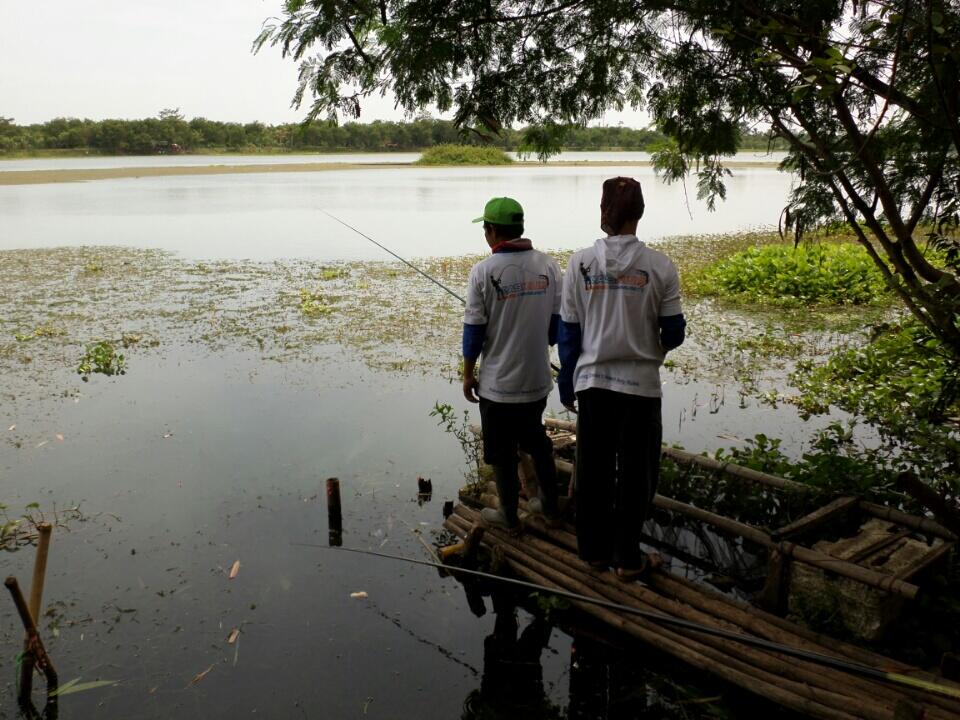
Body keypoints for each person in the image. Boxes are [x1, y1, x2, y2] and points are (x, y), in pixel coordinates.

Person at [558, 177, 686, 579]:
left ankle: (594, 553)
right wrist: (654, 345)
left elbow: (569, 333)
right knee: (637, 474)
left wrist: (567, 381)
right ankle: (628, 558)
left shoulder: (579, 263)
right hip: (641, 388)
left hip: (593, 385)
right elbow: (674, 331)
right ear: (640, 213)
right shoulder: (660, 265)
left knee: (593, 471)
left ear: (603, 213)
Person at [462, 196, 562, 530]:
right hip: (536, 382)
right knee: (538, 443)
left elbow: (474, 332)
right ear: (519, 228)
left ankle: (508, 516)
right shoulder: (549, 266)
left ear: (491, 231)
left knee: (502, 454)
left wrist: (467, 375)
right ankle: (549, 507)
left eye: (486, 229)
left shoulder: (482, 272)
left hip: (498, 387)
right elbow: (554, 329)